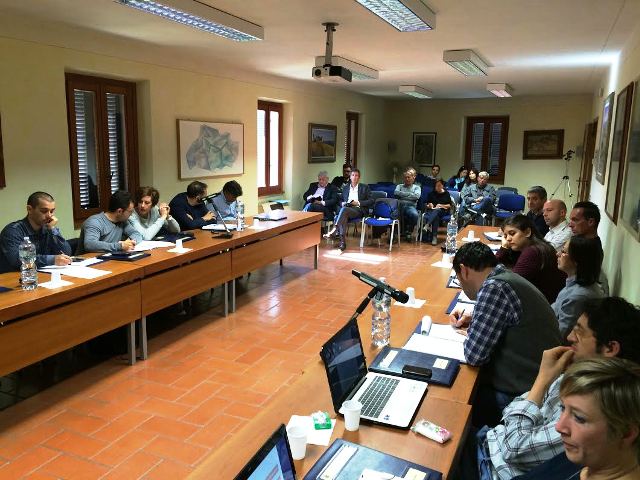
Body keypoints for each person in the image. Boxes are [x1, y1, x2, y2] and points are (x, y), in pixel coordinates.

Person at [481, 296, 640, 480]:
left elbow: (514, 449)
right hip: (490, 441)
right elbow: (514, 408)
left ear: (610, 348)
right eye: (563, 408)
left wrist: (542, 381)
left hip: (491, 466)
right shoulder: (573, 373)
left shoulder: (603, 405)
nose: (570, 337)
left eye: (579, 332)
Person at [449, 242, 561, 428]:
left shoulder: (494, 287)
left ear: (464, 270)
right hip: (540, 379)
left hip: (522, 390)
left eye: (458, 278)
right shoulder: (506, 277)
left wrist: (474, 330)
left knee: (455, 398)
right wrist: (476, 319)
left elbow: (474, 356)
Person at [554, 358, 640, 479]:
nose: (559, 427)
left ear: (626, 433)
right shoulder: (579, 457)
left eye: (579, 418)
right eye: (563, 408)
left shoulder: (580, 454)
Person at [496, 214, 566, 303]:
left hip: (546, 305)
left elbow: (508, 285)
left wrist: (503, 248)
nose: (508, 239)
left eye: (512, 233)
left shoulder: (533, 252)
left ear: (527, 232)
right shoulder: (535, 246)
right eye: (505, 236)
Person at [0, 191, 72, 273]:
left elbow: (67, 253)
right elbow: (17, 260)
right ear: (29, 209)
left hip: (41, 274)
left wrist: (52, 229)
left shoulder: (48, 228)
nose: (49, 216)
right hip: (14, 277)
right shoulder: (12, 231)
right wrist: (52, 259)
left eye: (52, 211)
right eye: (44, 211)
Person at [552, 236, 604, 335]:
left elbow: (560, 335)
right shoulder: (575, 284)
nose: (558, 254)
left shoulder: (578, 296)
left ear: (577, 260)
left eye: (563, 252)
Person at [78, 190, 143, 253]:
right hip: (88, 259)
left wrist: (130, 242)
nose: (131, 214)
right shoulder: (95, 222)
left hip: (110, 257)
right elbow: (90, 244)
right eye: (130, 211)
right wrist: (119, 246)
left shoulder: (122, 221)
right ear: (119, 211)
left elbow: (136, 234)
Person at [568, 201, 609, 296]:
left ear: (591, 222)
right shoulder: (590, 243)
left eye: (575, 220)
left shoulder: (588, 249)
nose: (570, 224)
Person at [332, 168, 373, 251]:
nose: (354, 177)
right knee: (343, 212)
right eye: (353, 175)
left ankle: (335, 229)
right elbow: (340, 200)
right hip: (347, 209)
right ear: (350, 177)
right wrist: (342, 203)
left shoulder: (365, 187)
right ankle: (342, 243)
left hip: (359, 209)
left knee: (343, 211)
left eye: (356, 175)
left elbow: (371, 200)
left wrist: (358, 203)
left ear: (359, 177)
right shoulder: (345, 188)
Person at [421, 178, 451, 245]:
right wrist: (429, 205)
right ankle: (434, 237)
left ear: (442, 185)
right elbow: (427, 204)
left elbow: (449, 205)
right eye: (436, 186)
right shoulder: (431, 193)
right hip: (432, 211)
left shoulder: (446, 193)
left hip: (443, 211)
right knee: (436, 217)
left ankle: (427, 225)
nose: (438, 187)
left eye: (439, 185)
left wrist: (441, 205)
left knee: (437, 210)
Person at [394, 167, 421, 241]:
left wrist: (402, 195)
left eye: (409, 177)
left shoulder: (417, 187)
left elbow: (416, 196)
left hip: (410, 206)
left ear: (413, 178)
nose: (407, 179)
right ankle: (395, 233)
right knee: (393, 214)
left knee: (415, 215)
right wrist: (410, 194)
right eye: (405, 177)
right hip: (399, 206)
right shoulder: (399, 186)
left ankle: (409, 231)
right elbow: (396, 193)